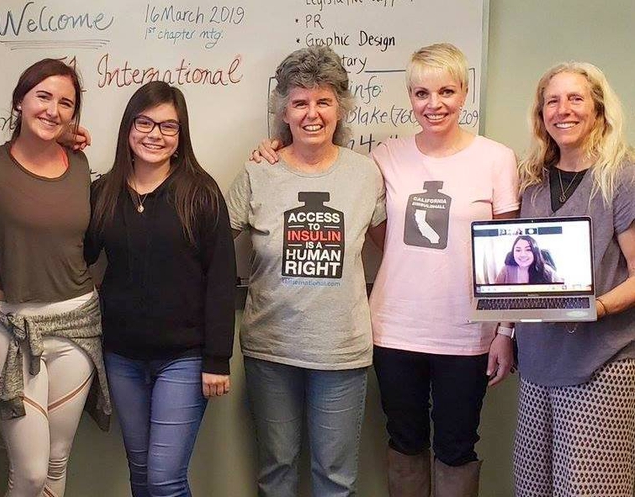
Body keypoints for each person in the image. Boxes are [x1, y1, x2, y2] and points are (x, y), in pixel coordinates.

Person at [253, 43, 519, 496]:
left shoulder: (496, 159)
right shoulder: (385, 157)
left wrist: (505, 331)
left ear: (465, 93)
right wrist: (274, 145)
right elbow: (374, 230)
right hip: (393, 330)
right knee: (404, 441)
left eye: (446, 91)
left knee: (457, 446)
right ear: (409, 96)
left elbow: (510, 255)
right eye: (421, 93)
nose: (433, 104)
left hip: (467, 334)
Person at [227, 46, 386, 497]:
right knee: (276, 472)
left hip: (341, 352)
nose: (311, 113)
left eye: (323, 101)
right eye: (299, 102)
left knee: (335, 479)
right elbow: (211, 242)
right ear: (284, 110)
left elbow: (396, 246)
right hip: (271, 348)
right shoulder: (260, 171)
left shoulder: (365, 174)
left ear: (341, 108)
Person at [0, 59, 110, 497]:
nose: (53, 109)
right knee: (28, 472)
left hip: (77, 324)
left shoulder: (82, 166)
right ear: (19, 101)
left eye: (66, 103)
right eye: (43, 96)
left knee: (56, 460)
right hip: (12, 326)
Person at [85, 81, 236, 496]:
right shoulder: (103, 192)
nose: (155, 134)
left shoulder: (200, 193)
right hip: (121, 356)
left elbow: (222, 278)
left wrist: (217, 359)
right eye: (145, 122)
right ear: (128, 129)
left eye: (168, 126)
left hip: (184, 360)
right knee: (140, 472)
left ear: (181, 135)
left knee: (165, 480)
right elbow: (77, 256)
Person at [512, 62, 635, 497]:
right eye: (552, 100)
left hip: (600, 364)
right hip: (538, 363)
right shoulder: (532, 180)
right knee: (533, 488)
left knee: (588, 490)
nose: (563, 110)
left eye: (576, 98)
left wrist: (596, 307)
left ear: (598, 109)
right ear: (541, 113)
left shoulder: (622, 177)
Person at [494, 235, 560, 284]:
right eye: (518, 250)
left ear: (535, 252)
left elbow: (562, 291)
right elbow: (494, 293)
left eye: (528, 250)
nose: (523, 254)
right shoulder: (505, 270)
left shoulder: (547, 271)